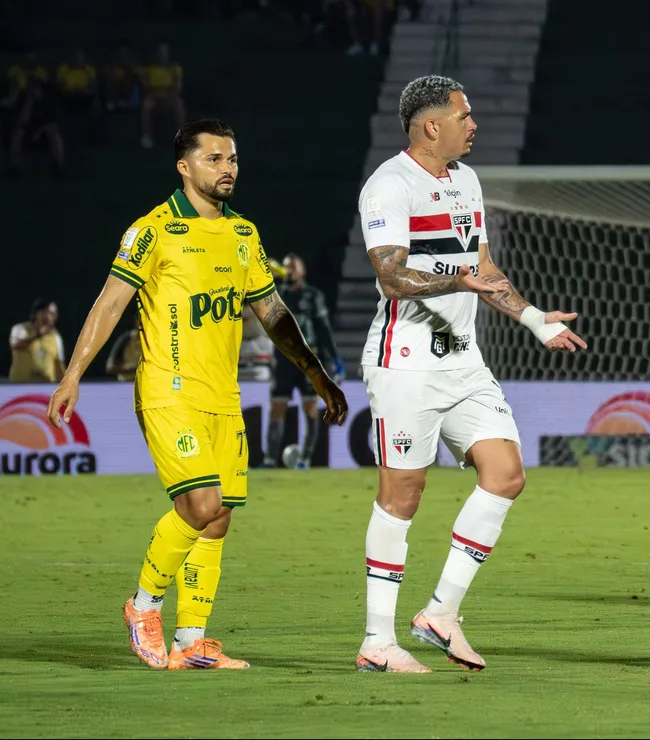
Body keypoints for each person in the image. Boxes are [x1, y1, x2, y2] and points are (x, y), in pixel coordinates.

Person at [45, 118, 348, 671]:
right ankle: (142, 606)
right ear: (184, 166)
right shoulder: (153, 230)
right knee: (199, 505)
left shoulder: (244, 235)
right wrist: (72, 375)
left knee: (219, 517)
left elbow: (274, 313)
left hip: (223, 396)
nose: (227, 168)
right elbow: (110, 302)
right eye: (214, 159)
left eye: (232, 159)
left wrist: (315, 372)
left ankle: (192, 640)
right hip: (168, 388)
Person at [354, 74, 586, 674]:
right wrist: (457, 281)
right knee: (403, 494)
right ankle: (378, 641)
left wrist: (534, 320)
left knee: (506, 475)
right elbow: (391, 277)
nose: (474, 123)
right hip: (405, 365)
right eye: (465, 114)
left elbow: (482, 266)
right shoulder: (388, 187)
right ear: (432, 125)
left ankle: (440, 613)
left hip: (464, 361)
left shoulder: (467, 180)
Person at [265, 253, 343, 469]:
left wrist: (333, 360)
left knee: (309, 407)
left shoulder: (313, 296)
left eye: (293, 267)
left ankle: (304, 459)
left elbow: (324, 330)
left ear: (302, 271)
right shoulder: (277, 295)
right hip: (283, 359)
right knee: (277, 407)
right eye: (286, 267)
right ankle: (270, 459)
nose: (289, 271)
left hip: (308, 357)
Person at [139, 43, 185, 149]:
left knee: (178, 104)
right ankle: (147, 137)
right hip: (154, 98)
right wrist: (157, 95)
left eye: (164, 52)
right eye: (159, 52)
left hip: (170, 98)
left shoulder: (174, 68)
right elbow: (145, 88)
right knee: (146, 104)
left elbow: (177, 87)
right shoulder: (149, 69)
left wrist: (167, 96)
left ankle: (181, 138)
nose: (161, 55)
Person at [9, 299, 65, 383]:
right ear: (36, 313)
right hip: (20, 385)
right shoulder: (21, 329)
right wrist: (38, 335)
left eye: (52, 314)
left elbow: (59, 365)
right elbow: (16, 345)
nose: (48, 317)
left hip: (46, 386)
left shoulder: (56, 337)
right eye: (44, 312)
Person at [105, 313, 142, 381]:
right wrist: (132, 368)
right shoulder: (126, 339)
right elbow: (110, 367)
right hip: (125, 385)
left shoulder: (155, 341)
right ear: (137, 321)